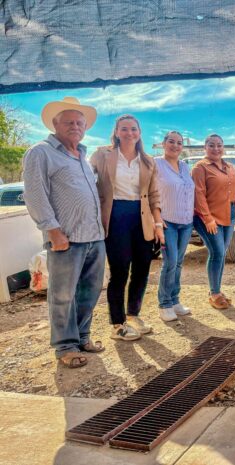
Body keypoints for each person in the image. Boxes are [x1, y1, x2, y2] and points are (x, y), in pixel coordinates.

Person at [23, 97, 105, 368]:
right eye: (69, 122)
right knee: (63, 295)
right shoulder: (41, 152)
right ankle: (65, 346)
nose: (75, 126)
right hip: (65, 238)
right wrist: (53, 230)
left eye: (80, 123)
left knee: (90, 291)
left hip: (94, 235)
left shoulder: (82, 156)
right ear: (55, 124)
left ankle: (82, 337)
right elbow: (35, 194)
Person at [90, 115, 165, 342]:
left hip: (141, 217)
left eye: (133, 129)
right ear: (116, 132)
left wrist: (158, 225)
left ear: (139, 133)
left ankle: (133, 315)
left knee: (142, 270)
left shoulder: (148, 160)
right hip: (115, 216)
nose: (129, 133)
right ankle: (118, 324)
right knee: (120, 270)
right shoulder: (102, 155)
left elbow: (153, 195)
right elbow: (89, 184)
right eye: (124, 129)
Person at [192, 134, 235, 310]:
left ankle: (217, 290)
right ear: (205, 147)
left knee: (222, 253)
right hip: (208, 216)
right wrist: (208, 218)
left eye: (219, 145)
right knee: (217, 252)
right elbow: (198, 194)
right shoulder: (200, 167)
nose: (216, 149)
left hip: (229, 213)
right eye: (211, 145)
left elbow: (234, 188)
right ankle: (214, 293)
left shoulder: (229, 167)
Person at [155, 131, 195, 322]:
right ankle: (164, 304)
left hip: (186, 222)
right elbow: (149, 191)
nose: (175, 146)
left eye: (179, 143)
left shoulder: (185, 166)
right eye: (171, 141)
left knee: (178, 262)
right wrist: (156, 217)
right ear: (164, 144)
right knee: (170, 262)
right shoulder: (156, 164)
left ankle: (175, 300)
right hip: (167, 221)